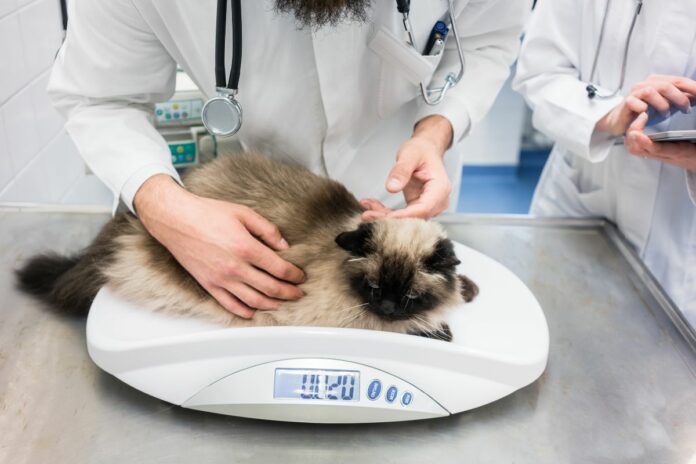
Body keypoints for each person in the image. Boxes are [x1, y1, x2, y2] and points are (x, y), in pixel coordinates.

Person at [48, 0, 530, 319]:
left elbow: (488, 40)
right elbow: (99, 97)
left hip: (406, 206)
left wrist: (436, 129)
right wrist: (163, 207)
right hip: (261, 213)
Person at [514, 0, 696, 325]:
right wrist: (607, 115)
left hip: (682, 241)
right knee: (553, 332)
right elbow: (540, 71)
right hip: (579, 198)